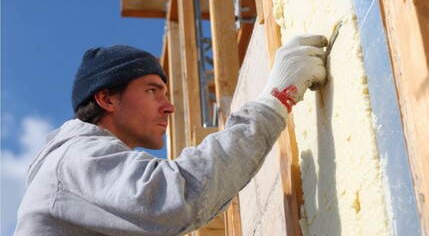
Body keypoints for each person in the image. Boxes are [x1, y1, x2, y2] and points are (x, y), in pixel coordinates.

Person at [14, 34, 328, 236]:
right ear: (106, 99)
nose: (169, 107)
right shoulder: (74, 157)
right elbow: (176, 197)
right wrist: (275, 100)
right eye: (152, 91)